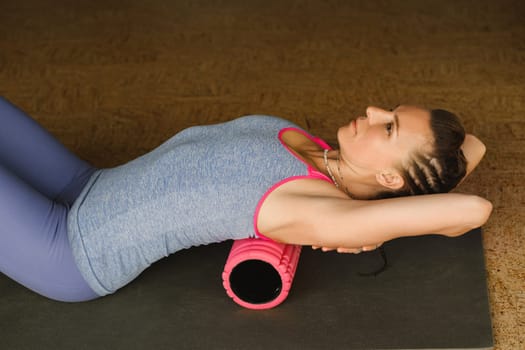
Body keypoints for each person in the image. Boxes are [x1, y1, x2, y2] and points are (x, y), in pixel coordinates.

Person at [0, 96, 492, 302]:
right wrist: (393, 190)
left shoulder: (316, 212)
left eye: (388, 125)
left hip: (72, 249)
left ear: (388, 178)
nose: (371, 108)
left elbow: (472, 210)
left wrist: (371, 225)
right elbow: (472, 148)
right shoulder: (321, 154)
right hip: (85, 184)